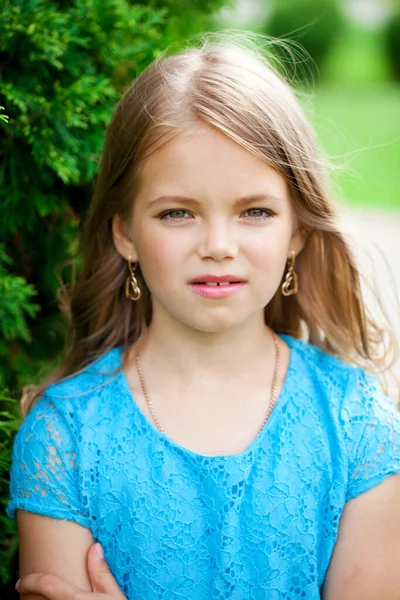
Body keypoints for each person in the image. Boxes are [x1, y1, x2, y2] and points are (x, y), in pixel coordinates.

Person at [6, 32, 400, 600]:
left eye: (255, 211)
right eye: (177, 213)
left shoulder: (358, 427)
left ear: (297, 231)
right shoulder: (64, 437)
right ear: (125, 234)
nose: (218, 244)